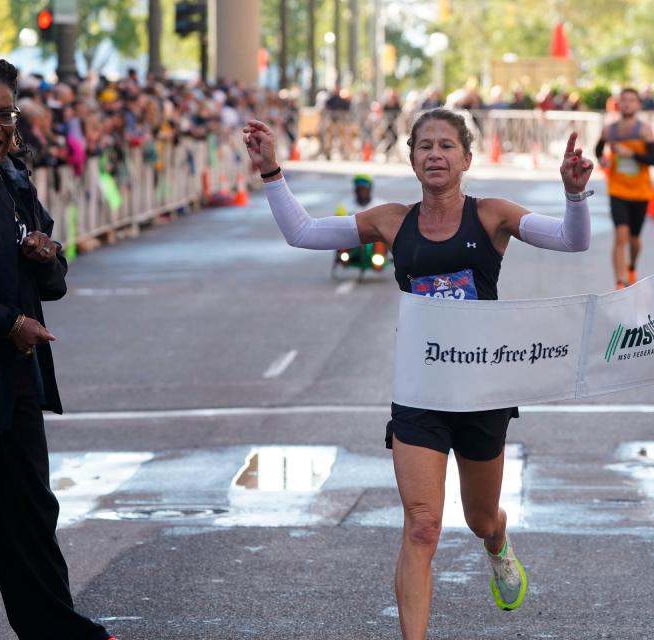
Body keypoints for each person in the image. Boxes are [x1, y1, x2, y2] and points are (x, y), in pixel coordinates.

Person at [244, 108, 593, 639]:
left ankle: (498, 546)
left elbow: (572, 241)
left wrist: (573, 195)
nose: (435, 154)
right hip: (421, 390)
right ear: (410, 158)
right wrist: (272, 172)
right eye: (424, 145)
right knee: (423, 524)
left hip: (482, 390)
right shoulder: (392, 221)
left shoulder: (492, 215)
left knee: (481, 518)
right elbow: (303, 232)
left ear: (466, 158)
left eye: (447, 146)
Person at [0, 59, 114, 640]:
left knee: (30, 518)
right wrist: (6, 323)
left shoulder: (16, 181)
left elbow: (57, 277)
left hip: (17, 383)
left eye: (4, 115)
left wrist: (47, 256)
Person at [595, 87, 654, 289]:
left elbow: (653, 159)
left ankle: (631, 266)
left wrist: (629, 153)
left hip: (640, 191)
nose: (627, 104)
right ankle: (620, 282)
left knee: (634, 239)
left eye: (631, 100)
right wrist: (602, 160)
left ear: (638, 104)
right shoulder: (609, 130)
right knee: (620, 235)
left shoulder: (644, 130)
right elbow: (598, 149)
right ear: (618, 103)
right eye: (624, 100)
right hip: (617, 189)